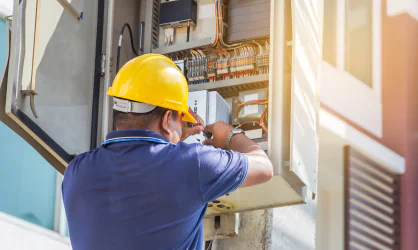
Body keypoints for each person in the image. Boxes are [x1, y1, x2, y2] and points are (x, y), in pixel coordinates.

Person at [62, 54, 273, 250]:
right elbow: (264, 167)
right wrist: (229, 135)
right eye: (180, 118)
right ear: (166, 119)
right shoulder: (193, 164)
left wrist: (172, 135)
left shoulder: (75, 173)